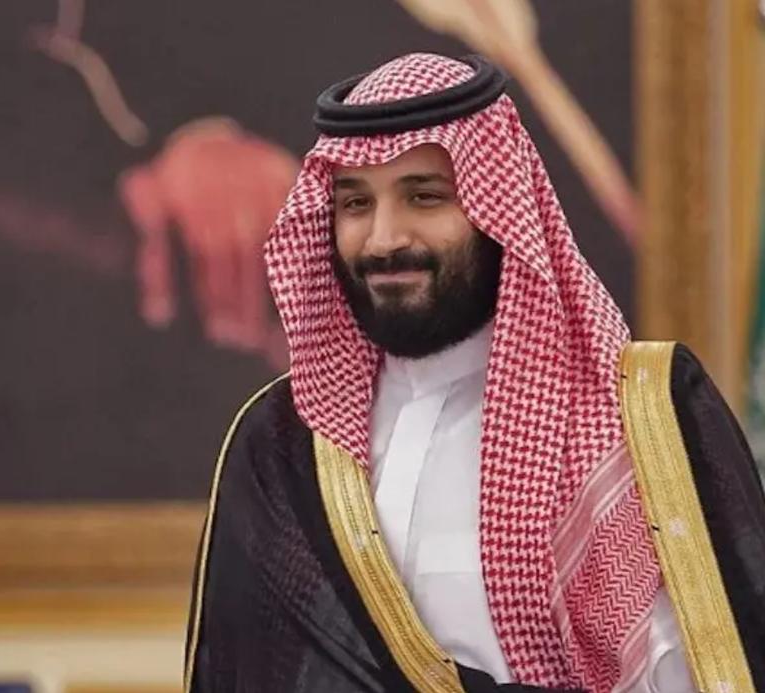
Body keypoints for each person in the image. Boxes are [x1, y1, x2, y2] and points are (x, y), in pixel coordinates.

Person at [185, 53, 765, 693]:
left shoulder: (634, 418)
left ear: (499, 208)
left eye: (425, 196)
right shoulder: (283, 442)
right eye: (355, 203)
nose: (383, 239)